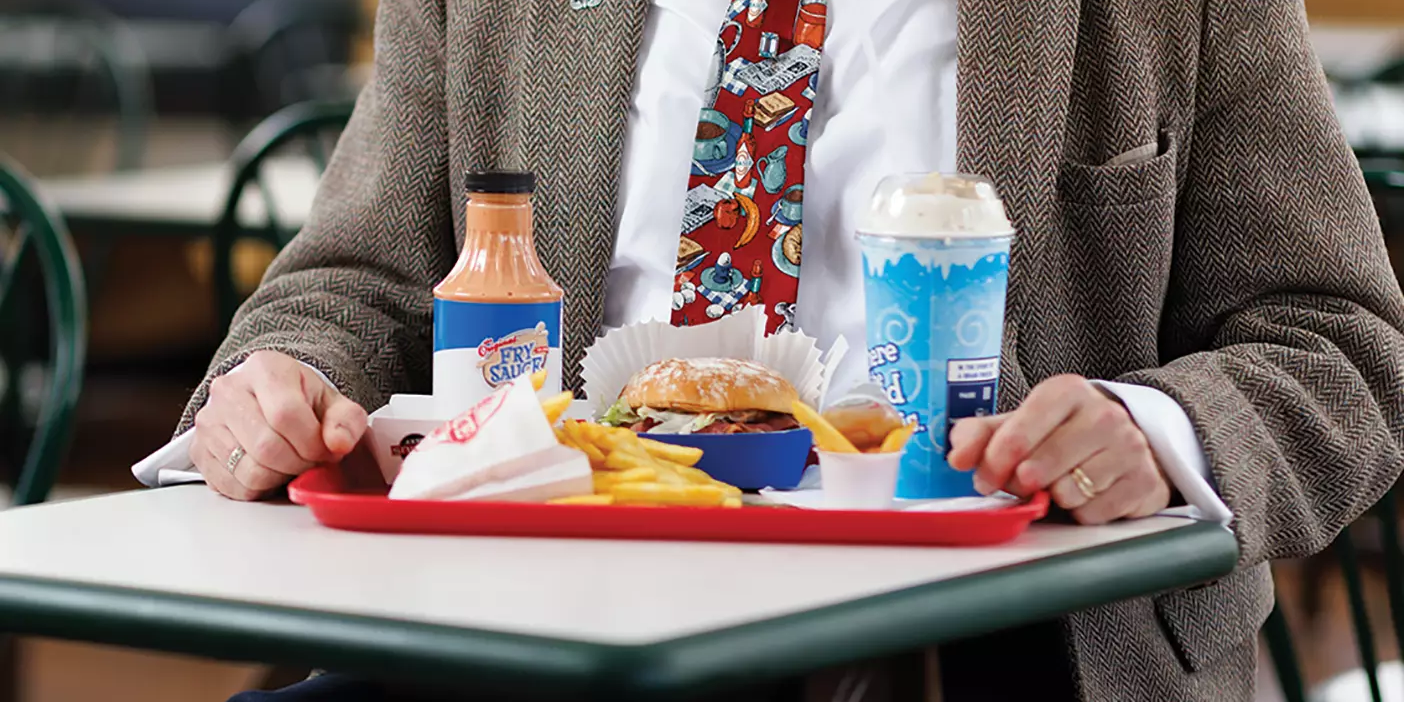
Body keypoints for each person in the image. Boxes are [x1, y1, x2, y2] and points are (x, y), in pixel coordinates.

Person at [133, 0, 1404, 699]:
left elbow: (1342, 347)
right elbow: (348, 283)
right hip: (541, 625)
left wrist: (1151, 431)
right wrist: (263, 389)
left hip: (1003, 635)